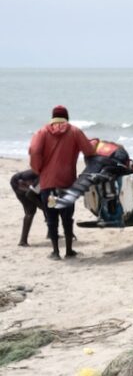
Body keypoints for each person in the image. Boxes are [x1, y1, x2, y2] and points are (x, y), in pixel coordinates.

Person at [28, 105, 96, 260]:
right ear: (67, 117)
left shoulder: (42, 132)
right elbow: (89, 151)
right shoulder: (74, 131)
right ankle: (69, 251)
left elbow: (34, 150)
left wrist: (38, 169)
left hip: (48, 184)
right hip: (67, 184)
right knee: (67, 217)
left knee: (51, 218)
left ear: (52, 117)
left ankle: (56, 252)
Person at [10, 170, 41, 247]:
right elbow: (30, 194)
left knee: (43, 202)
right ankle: (23, 241)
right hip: (18, 182)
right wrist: (43, 208)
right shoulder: (44, 177)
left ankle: (50, 233)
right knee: (30, 211)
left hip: (20, 181)